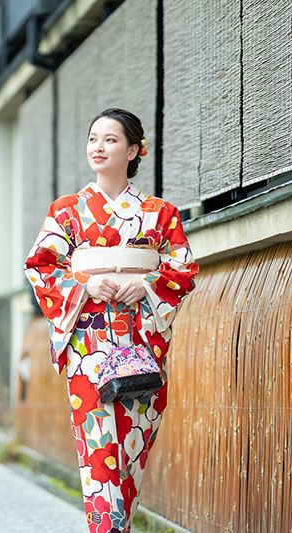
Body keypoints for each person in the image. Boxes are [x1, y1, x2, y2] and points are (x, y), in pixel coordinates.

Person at [24, 108, 199, 532]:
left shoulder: (161, 213)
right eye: (93, 139)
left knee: (133, 449)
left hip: (142, 343)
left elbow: (184, 269)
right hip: (88, 345)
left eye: (110, 140)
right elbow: (41, 266)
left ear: (136, 150)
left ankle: (117, 526)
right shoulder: (66, 212)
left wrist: (147, 285)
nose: (98, 147)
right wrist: (85, 283)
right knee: (99, 448)